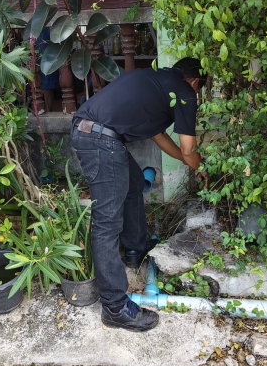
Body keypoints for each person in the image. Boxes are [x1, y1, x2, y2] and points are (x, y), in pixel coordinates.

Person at [70, 58, 208, 332]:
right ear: (194, 82)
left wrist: (188, 161)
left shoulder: (156, 81)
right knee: (107, 224)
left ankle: (135, 247)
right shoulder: (184, 92)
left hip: (92, 133)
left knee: (133, 185)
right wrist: (201, 167)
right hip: (101, 140)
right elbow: (188, 149)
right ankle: (114, 307)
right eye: (199, 88)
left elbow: (161, 138)